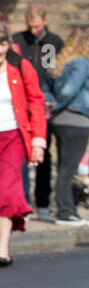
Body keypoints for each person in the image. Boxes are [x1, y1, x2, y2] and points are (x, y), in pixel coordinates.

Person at [0, 26, 46, 267]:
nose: (0, 51)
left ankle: (2, 247)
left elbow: (36, 101)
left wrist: (39, 140)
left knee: (7, 189)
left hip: (14, 136)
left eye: (3, 45)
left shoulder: (19, 65)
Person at [48, 26, 89, 226]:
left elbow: (58, 88)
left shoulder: (65, 62)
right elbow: (68, 91)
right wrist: (57, 106)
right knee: (68, 169)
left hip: (62, 121)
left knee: (64, 167)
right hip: (75, 120)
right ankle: (66, 212)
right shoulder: (81, 63)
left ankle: (66, 209)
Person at [15, 3, 61, 221]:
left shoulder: (51, 42)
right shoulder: (18, 40)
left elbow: (51, 74)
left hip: (44, 104)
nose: (33, 31)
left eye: (36, 26)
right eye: (30, 26)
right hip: (22, 102)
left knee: (44, 154)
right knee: (21, 154)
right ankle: (22, 201)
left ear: (45, 21)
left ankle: (43, 203)